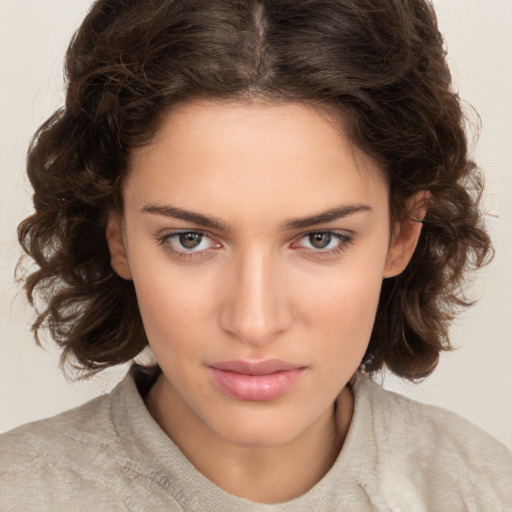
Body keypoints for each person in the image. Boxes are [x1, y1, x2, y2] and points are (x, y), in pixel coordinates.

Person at [1, 0, 511, 510]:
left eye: (320, 239)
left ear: (402, 233)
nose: (254, 322)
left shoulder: (483, 491)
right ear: (117, 235)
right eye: (190, 239)